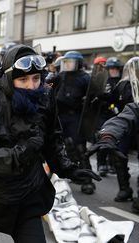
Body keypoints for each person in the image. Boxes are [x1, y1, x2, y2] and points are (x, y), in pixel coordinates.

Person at [0, 45, 101, 243]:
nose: (32, 86)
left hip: (25, 194)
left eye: (36, 78)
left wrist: (67, 169)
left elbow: (52, 138)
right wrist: (23, 151)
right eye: (23, 79)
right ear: (9, 78)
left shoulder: (44, 96)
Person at [87, 57, 139, 213]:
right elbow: (114, 100)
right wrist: (100, 96)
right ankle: (125, 189)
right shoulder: (122, 84)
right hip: (125, 125)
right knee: (118, 155)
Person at [55, 50, 96, 194]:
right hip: (62, 116)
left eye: (70, 62)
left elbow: (93, 97)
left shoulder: (85, 78)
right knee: (67, 147)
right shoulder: (61, 76)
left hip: (76, 116)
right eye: (65, 62)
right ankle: (76, 173)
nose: (67, 65)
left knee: (80, 148)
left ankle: (88, 181)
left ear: (77, 64)